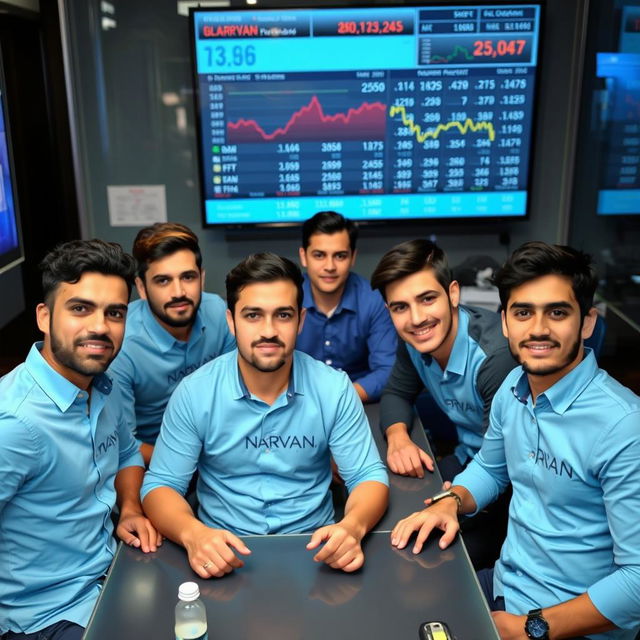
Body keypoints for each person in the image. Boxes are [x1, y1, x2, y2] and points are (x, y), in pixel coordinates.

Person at [391, 242, 640, 640]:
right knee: (398, 603)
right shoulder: (513, 387)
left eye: (557, 312)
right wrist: (452, 503)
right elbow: (490, 469)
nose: (538, 329)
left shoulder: (625, 425)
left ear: (587, 322)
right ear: (505, 321)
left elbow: (637, 582)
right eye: (523, 313)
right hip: (506, 586)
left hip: (570, 623)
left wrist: (530, 629)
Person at [142, 253, 389, 578]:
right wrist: (194, 535)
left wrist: (352, 527)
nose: (269, 331)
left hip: (317, 551)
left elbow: (368, 476)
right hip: (222, 551)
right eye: (253, 316)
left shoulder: (334, 388)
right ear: (231, 322)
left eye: (283, 315)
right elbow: (161, 485)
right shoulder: (194, 393)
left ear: (301, 321)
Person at [0, 239, 160, 640]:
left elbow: (126, 454)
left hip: (111, 577)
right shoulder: (14, 423)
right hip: (45, 617)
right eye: (80, 308)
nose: (100, 327)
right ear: (44, 316)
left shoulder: (100, 386)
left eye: (115, 313)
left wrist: (129, 508)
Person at [370, 239, 516, 568]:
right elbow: (395, 393)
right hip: (464, 461)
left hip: (507, 490)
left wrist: (450, 501)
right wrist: (398, 437)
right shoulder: (414, 340)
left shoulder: (494, 358)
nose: (416, 318)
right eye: (400, 307)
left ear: (452, 293)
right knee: (385, 518)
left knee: (424, 559)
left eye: (427, 299)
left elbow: (499, 467)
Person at [108, 222, 235, 465]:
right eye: (163, 281)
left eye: (188, 277)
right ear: (142, 288)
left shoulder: (219, 313)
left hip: (215, 446)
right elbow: (123, 443)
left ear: (202, 278)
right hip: (152, 458)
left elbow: (235, 397)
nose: (178, 292)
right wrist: (187, 462)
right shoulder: (122, 344)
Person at [296, 211, 396, 403]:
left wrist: (338, 400)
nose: (330, 266)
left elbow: (387, 370)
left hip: (358, 402)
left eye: (340, 256)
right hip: (298, 402)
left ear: (352, 257)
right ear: (304, 256)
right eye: (319, 255)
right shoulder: (287, 300)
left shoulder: (374, 300)